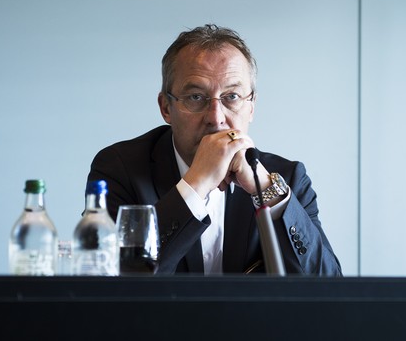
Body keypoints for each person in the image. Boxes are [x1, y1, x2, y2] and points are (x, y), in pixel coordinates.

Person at [87, 24, 342, 275]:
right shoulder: (119, 170)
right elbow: (116, 285)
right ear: (166, 108)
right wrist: (195, 186)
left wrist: (267, 192)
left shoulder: (288, 178)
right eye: (196, 97)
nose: (216, 118)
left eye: (231, 97)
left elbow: (328, 289)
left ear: (251, 106)